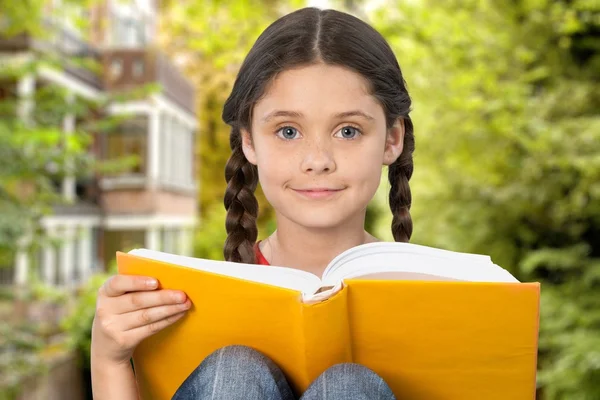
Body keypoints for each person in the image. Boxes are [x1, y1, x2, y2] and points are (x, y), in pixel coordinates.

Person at [90, 6, 415, 400]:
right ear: (248, 140)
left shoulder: (443, 294)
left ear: (391, 139)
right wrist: (109, 359)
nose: (317, 160)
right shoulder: (197, 298)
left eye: (348, 131)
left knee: (349, 387)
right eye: (288, 130)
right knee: (234, 370)